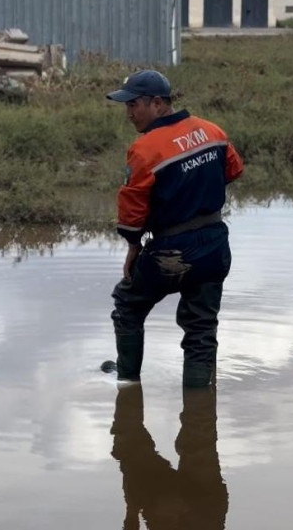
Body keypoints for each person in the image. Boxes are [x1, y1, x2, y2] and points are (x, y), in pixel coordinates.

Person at [104, 69, 243, 388]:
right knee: (202, 331)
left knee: (127, 303)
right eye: (126, 106)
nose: (128, 114)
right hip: (214, 247)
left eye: (132, 105)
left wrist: (133, 247)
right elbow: (234, 169)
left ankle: (127, 382)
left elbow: (132, 209)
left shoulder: (145, 149)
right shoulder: (213, 131)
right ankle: (200, 412)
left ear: (156, 103)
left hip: (171, 252)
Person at [110, 384, 228, 529]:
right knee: (198, 441)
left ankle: (128, 379)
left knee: (129, 447)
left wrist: (132, 514)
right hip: (201, 500)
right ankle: (200, 386)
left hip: (179, 500)